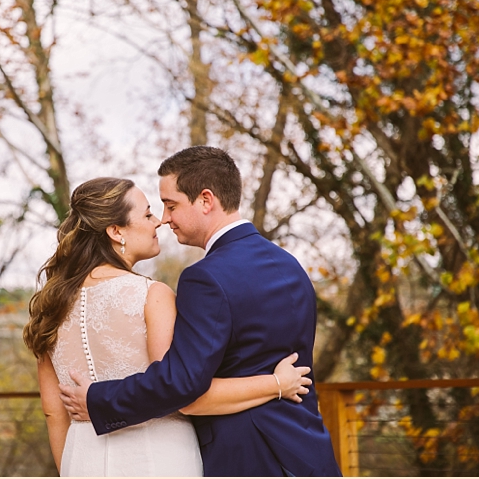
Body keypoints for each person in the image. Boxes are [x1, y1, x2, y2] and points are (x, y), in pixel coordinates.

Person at [59, 148, 342, 477]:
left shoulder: (205, 278)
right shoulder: (290, 265)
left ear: (206, 200)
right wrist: (278, 383)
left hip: (248, 459)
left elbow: (182, 386)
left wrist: (97, 399)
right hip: (310, 454)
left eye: (171, 205)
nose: (165, 218)